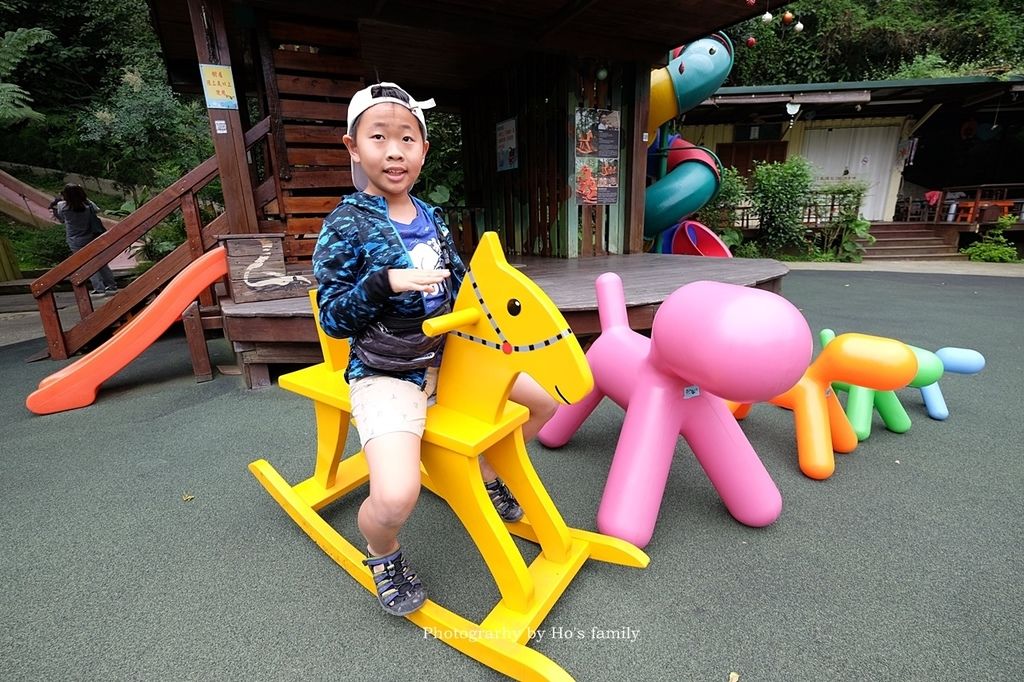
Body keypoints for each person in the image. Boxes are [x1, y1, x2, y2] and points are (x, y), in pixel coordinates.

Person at [312, 83, 557, 617]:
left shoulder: (431, 214)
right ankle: (383, 553)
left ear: (423, 150)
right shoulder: (345, 224)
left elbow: (462, 282)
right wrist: (383, 283)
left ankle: (485, 474)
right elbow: (332, 320)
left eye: (407, 138)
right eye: (378, 137)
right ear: (353, 147)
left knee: (544, 402)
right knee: (397, 497)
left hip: (451, 359)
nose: (394, 151)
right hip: (387, 372)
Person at [51, 183, 118, 296]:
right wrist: (84, 197)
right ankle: (111, 285)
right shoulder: (87, 205)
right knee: (100, 261)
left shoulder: (63, 206)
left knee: (86, 264)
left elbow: (61, 217)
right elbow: (97, 210)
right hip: (91, 236)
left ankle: (99, 287)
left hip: (74, 238)